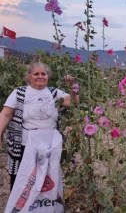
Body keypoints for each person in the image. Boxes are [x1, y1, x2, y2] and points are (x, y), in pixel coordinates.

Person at [0, 62, 79, 195]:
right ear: (29, 76)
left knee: (47, 177)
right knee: (23, 178)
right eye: (36, 74)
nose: (40, 76)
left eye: (44, 74)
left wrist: (72, 87)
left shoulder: (54, 93)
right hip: (25, 145)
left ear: (48, 76)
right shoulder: (19, 92)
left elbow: (74, 102)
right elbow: (5, 114)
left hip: (48, 145)